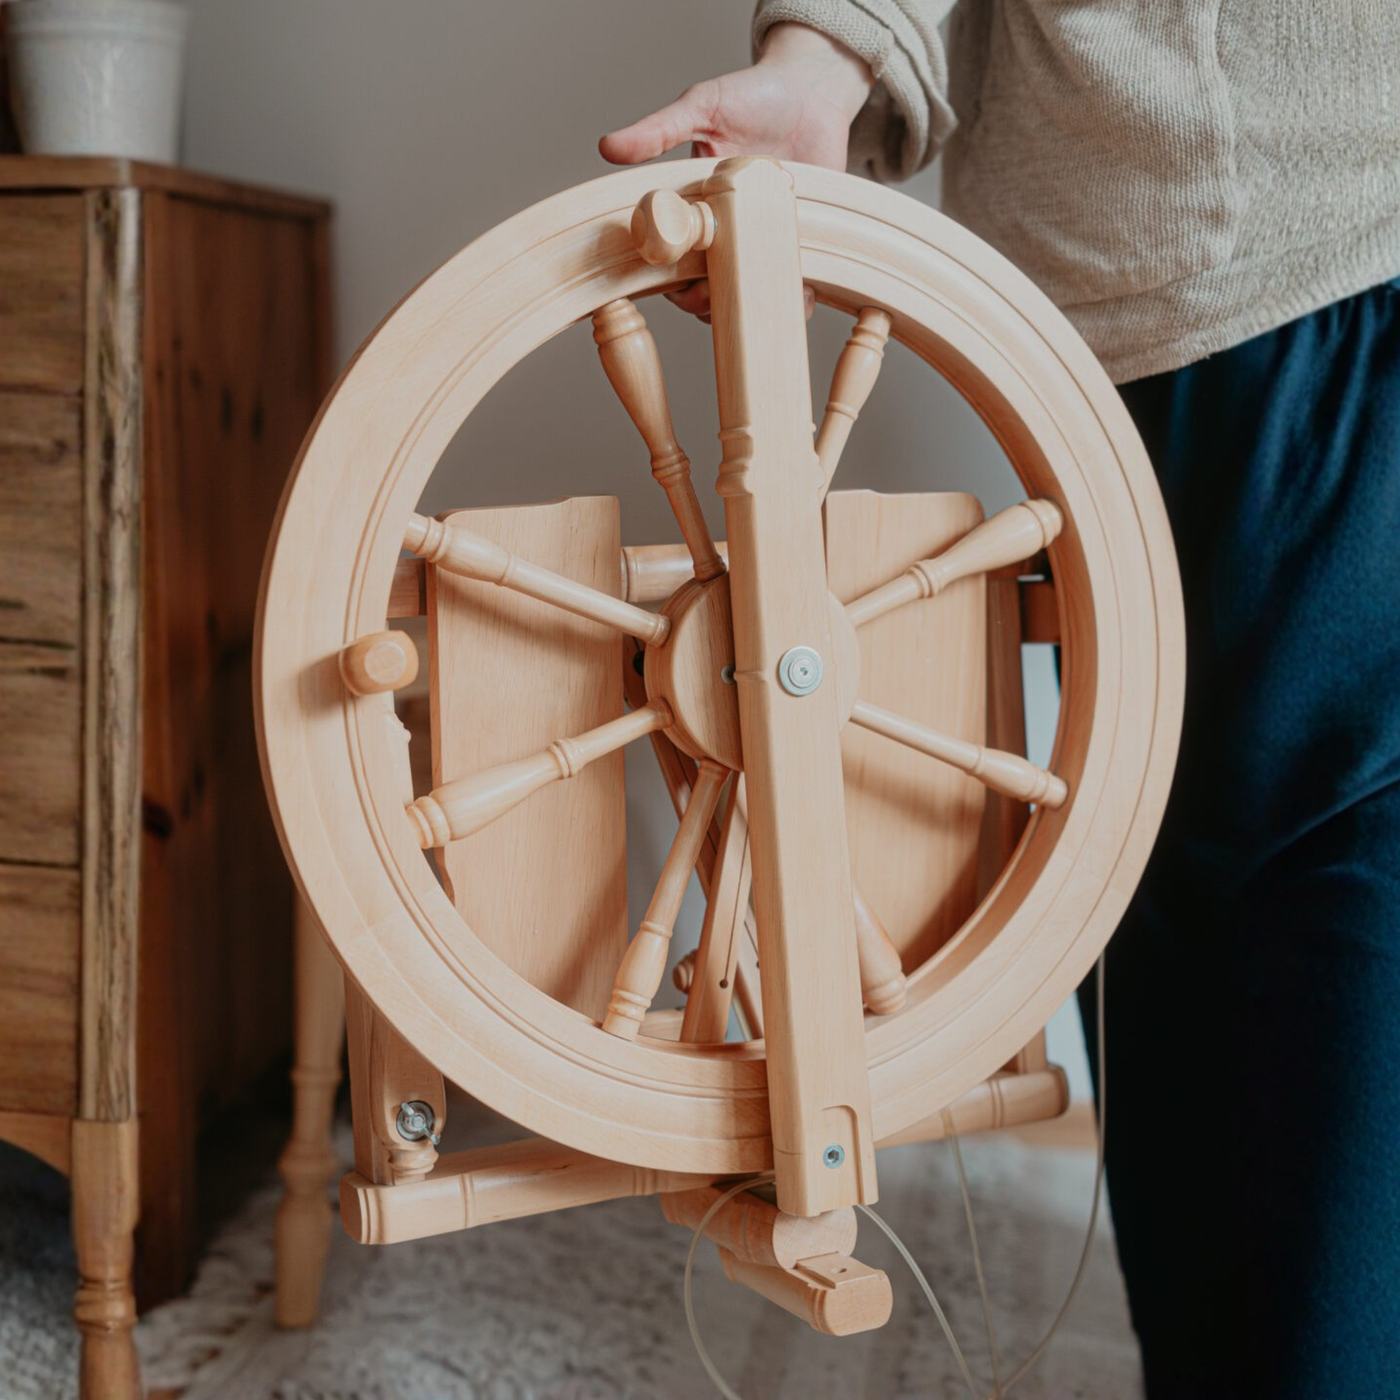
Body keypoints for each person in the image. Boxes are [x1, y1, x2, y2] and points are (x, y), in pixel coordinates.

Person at [600, 7, 1400, 1398]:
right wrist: (817, 66)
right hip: (1103, 307)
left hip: (1346, 225)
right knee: (1145, 865)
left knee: (1327, 877)